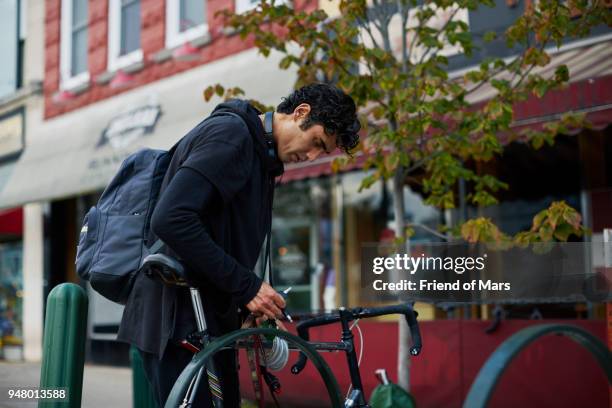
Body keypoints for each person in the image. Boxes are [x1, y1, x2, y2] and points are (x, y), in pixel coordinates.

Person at [117, 83, 360, 407]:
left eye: (323, 151)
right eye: (316, 142)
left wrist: (245, 302)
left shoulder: (260, 158)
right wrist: (247, 287)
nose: (313, 156)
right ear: (300, 113)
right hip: (176, 324)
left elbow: (221, 239)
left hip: (209, 325)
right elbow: (171, 218)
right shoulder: (231, 137)